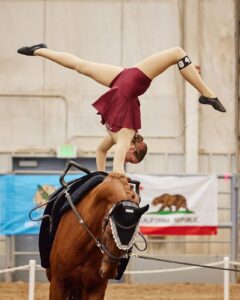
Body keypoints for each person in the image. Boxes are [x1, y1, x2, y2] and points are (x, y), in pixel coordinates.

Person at [17, 43, 226, 174]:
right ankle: (208, 94)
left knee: (80, 66)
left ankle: (39, 51)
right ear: (136, 150)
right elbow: (117, 168)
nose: (126, 158)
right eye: (131, 159)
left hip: (123, 82)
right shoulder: (126, 135)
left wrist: (99, 175)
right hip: (133, 81)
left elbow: (100, 150)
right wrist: (118, 177)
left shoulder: (117, 137)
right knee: (177, 53)